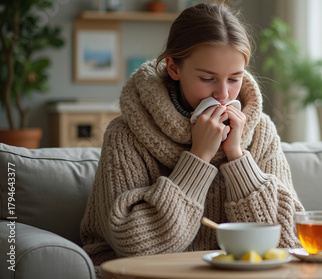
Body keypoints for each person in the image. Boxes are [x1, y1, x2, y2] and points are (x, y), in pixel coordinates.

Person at [80, 2, 304, 276]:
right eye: (208, 78)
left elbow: (287, 240)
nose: (223, 95)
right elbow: (138, 247)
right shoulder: (126, 136)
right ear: (174, 68)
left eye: (234, 78)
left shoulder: (261, 133)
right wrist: (199, 157)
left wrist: (237, 156)